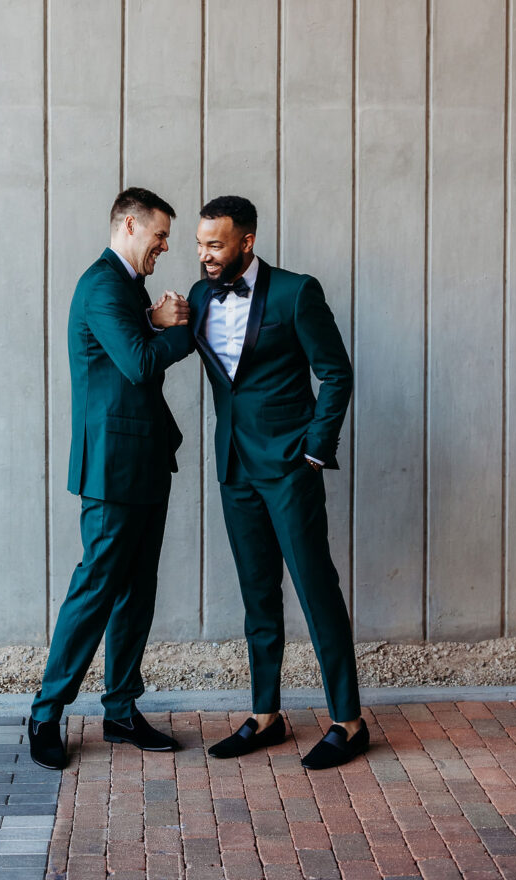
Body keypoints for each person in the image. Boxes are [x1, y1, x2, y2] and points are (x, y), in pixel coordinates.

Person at [188, 195, 368, 770]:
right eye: (199, 244)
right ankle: (266, 714)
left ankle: (349, 720)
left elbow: (335, 372)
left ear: (247, 241)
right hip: (234, 467)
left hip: (290, 465)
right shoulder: (197, 296)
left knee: (316, 588)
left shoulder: (296, 292)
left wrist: (316, 450)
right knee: (257, 593)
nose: (204, 255)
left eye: (215, 245)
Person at [28, 187, 191, 770]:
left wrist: (152, 317)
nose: (165, 247)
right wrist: (185, 328)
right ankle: (46, 713)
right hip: (112, 467)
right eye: (160, 235)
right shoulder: (100, 283)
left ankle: (120, 710)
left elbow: (131, 339)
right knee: (96, 584)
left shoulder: (128, 289)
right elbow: (140, 362)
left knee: (137, 587)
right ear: (129, 224)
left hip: (146, 461)